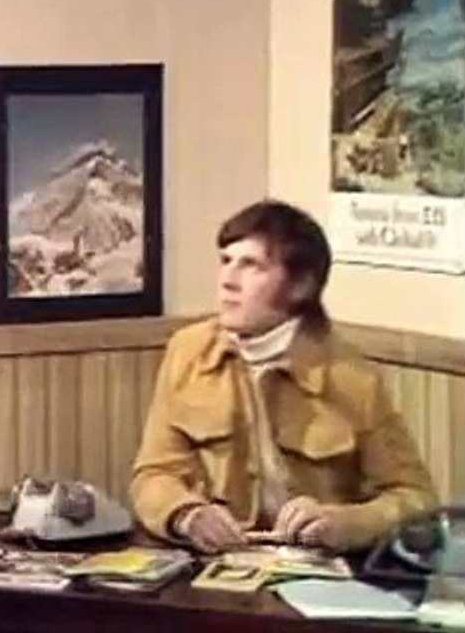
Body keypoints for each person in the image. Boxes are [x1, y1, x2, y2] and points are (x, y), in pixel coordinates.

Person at [129, 200, 437, 554]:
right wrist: (186, 514)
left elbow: (415, 499)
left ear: (300, 286)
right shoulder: (188, 352)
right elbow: (152, 476)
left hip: (316, 566)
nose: (227, 280)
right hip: (213, 561)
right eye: (226, 261)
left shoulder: (351, 377)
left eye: (251, 266)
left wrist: (344, 523)